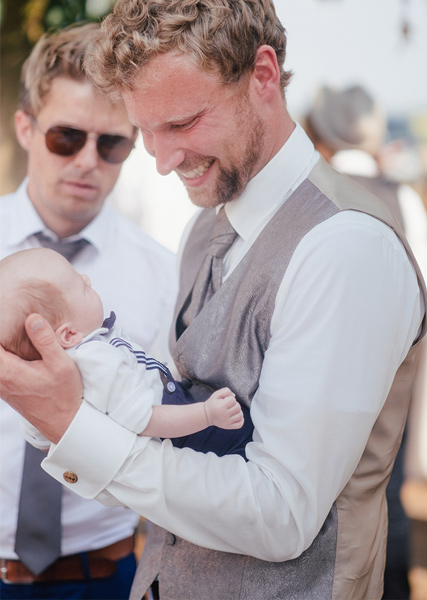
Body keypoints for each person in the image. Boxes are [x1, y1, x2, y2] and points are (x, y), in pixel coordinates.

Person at [0, 2, 426, 599]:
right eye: (144, 132)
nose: (163, 158)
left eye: (182, 123)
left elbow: (282, 514)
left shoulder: (345, 247)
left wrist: (72, 426)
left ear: (263, 76)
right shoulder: (203, 230)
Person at [0, 23, 177, 600]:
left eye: (112, 144)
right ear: (25, 126)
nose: (87, 161)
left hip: (103, 575)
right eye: (66, 137)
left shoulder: (164, 274)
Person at [304, 84, 427, 600]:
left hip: (310, 405)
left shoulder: (303, 195)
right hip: (387, 414)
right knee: (382, 520)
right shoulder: (404, 201)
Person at [0, 248, 249, 456]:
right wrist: (207, 414)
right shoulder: (96, 361)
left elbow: (39, 435)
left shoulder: (85, 352)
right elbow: (146, 421)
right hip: (188, 432)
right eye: (81, 286)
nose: (87, 279)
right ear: (68, 335)